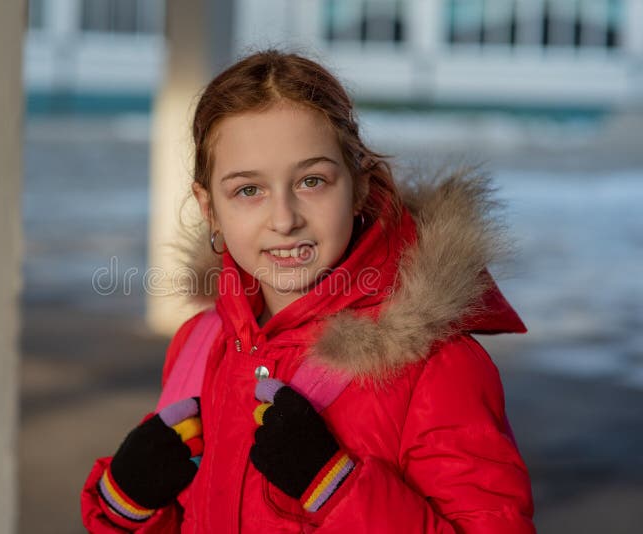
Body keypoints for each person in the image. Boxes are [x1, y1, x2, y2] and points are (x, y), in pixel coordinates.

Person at [81, 49, 535, 533]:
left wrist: (335, 488)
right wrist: (125, 504)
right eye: (248, 190)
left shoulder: (436, 367)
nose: (284, 219)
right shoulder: (200, 346)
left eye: (312, 181)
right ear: (208, 207)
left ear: (359, 187)